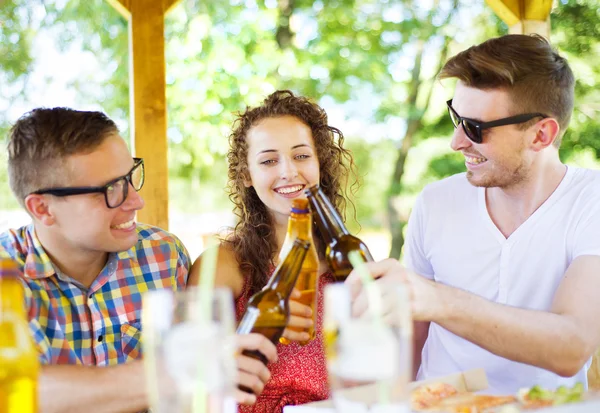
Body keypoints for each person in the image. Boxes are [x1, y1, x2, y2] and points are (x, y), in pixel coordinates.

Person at [348, 33, 600, 394]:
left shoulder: (592, 200)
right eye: (456, 117)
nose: (457, 142)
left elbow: (571, 346)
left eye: (476, 128)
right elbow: (413, 340)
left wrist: (438, 299)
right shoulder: (435, 201)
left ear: (541, 134)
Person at [0, 107, 277, 412]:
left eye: (130, 176)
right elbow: (10, 391)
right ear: (42, 209)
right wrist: (168, 375)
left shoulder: (163, 254)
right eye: (110, 190)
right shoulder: (6, 273)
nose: (136, 201)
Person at [188, 90, 358, 411]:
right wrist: (256, 327)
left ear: (319, 162)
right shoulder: (224, 262)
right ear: (247, 176)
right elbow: (188, 369)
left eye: (302, 155)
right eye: (268, 160)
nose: (289, 171)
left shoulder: (346, 261)